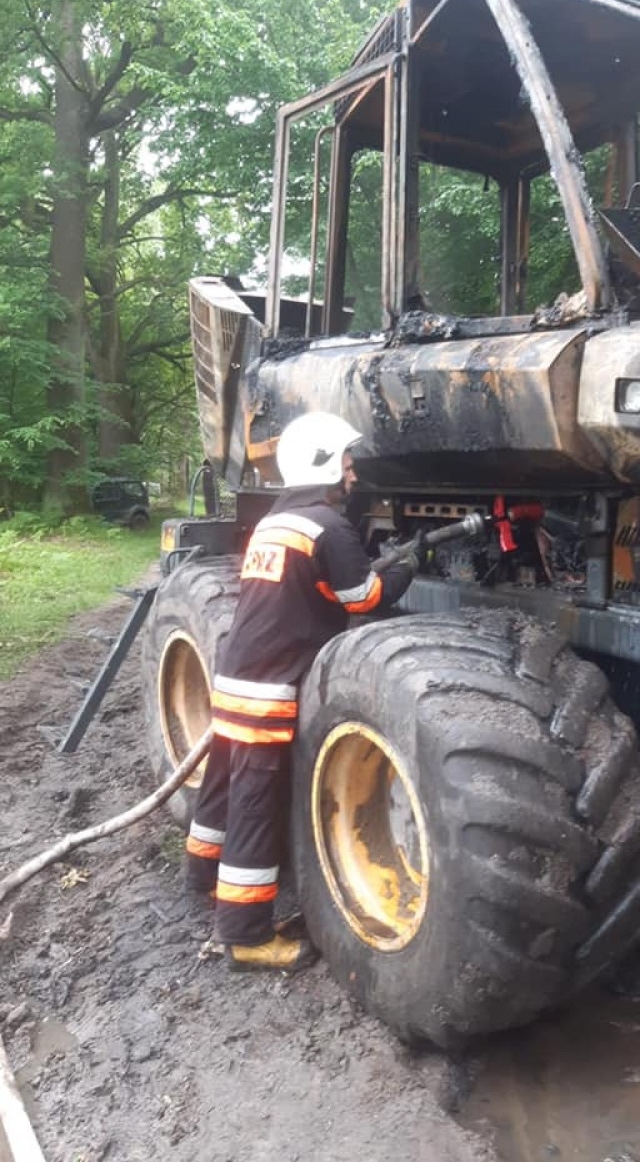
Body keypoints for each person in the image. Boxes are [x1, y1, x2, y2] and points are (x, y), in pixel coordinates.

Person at [184, 411, 419, 971]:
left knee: (224, 780)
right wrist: (409, 565)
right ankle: (244, 935)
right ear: (323, 464)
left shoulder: (274, 523)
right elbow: (364, 598)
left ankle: (202, 869)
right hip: (270, 687)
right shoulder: (328, 528)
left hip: (237, 676)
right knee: (256, 806)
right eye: (346, 461)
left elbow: (303, 586)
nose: (353, 474)